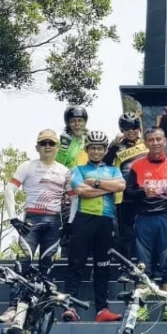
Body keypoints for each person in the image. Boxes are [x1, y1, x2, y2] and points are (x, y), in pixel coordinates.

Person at [63, 131, 125, 323]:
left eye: (100, 148)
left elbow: (121, 186)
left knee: (103, 266)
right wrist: (108, 188)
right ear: (87, 149)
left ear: (106, 150)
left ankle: (102, 310)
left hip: (106, 220)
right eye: (93, 148)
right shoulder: (78, 169)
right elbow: (81, 191)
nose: (96, 152)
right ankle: (70, 306)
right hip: (84, 219)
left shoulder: (114, 169)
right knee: (76, 263)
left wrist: (96, 183)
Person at [125, 127, 167, 321]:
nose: (155, 143)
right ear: (145, 142)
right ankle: (140, 307)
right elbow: (127, 194)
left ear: (165, 141)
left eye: (159, 139)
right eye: (151, 140)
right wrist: (142, 192)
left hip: (166, 218)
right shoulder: (136, 166)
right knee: (143, 265)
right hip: (144, 218)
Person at [3, 128, 69, 273]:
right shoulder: (27, 166)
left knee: (47, 262)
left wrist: (69, 223)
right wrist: (13, 218)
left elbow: (73, 197)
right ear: (37, 147)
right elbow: (9, 190)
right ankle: (18, 295)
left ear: (57, 147)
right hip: (32, 219)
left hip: (55, 220)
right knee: (25, 259)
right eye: (43, 143)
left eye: (51, 143)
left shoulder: (64, 171)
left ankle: (44, 295)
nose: (47, 146)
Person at [105, 113, 148, 261]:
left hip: (144, 192)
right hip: (123, 195)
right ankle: (125, 265)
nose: (132, 130)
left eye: (135, 127)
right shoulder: (117, 146)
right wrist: (112, 147)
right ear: (122, 129)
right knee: (125, 231)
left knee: (144, 229)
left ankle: (145, 263)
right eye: (127, 127)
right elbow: (105, 163)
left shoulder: (146, 143)